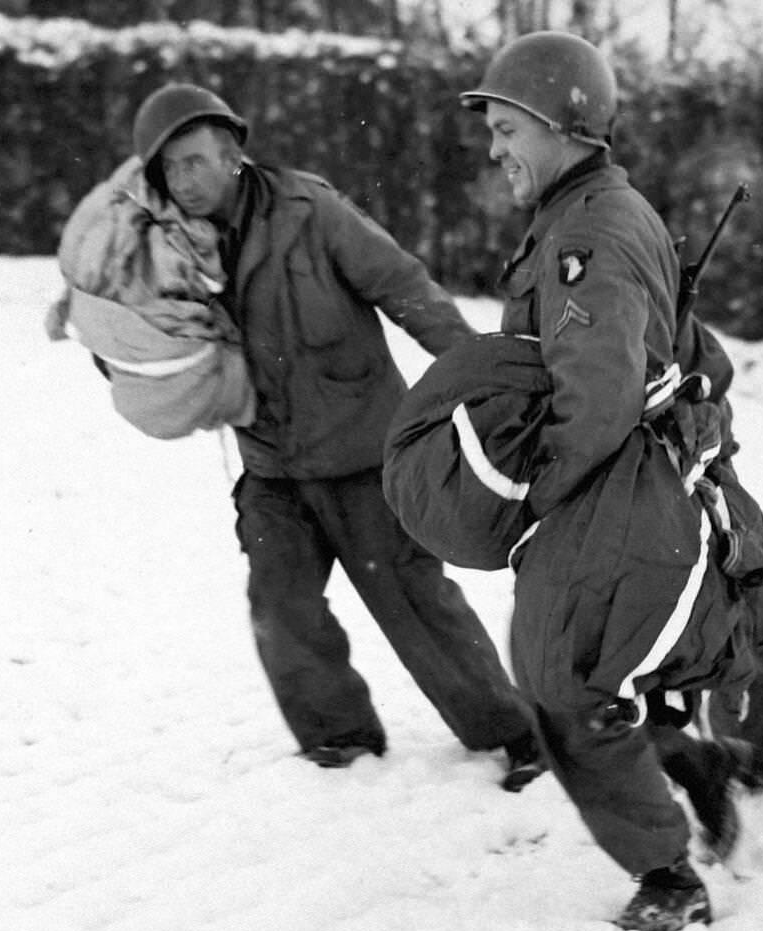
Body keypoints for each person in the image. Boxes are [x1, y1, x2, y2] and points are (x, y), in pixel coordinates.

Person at [114, 82, 544, 791]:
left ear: (233, 154)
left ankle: (516, 735)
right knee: (280, 603)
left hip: (364, 453)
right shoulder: (169, 248)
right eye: (170, 171)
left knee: (415, 602)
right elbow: (141, 330)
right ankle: (337, 737)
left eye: (195, 162)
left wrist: (484, 376)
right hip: (271, 465)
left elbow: (403, 286)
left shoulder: (309, 210)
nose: (184, 182)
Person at [458, 33, 763, 931]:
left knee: (561, 679)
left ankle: (668, 874)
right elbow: (689, 351)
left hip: (613, 481)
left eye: (504, 128)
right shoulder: (599, 211)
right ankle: (691, 763)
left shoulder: (588, 232)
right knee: (588, 672)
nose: (493, 149)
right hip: (633, 475)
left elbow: (597, 395)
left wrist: (537, 498)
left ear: (562, 122)